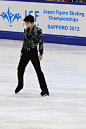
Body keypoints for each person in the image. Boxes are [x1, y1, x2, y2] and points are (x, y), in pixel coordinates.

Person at [15, 15, 49, 97]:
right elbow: (24, 41)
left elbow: (40, 42)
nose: (26, 24)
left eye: (28, 22)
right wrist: (22, 51)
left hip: (33, 52)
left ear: (32, 22)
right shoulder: (26, 30)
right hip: (26, 52)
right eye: (26, 22)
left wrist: (41, 53)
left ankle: (44, 90)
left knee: (38, 70)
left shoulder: (38, 30)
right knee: (20, 68)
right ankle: (20, 85)